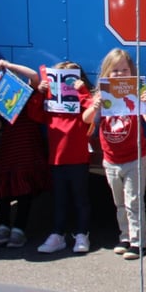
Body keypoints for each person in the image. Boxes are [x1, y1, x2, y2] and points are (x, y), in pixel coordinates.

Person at [84, 49, 146, 260]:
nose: (120, 74)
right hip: (111, 159)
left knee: (134, 201)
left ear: (131, 71)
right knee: (120, 203)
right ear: (107, 72)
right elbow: (87, 119)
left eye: (124, 70)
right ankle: (125, 236)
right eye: (115, 71)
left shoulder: (136, 92)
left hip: (135, 157)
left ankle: (138, 242)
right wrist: (95, 107)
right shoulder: (102, 94)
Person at [0, 59, 50, 249]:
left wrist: (8, 65)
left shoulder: (30, 94)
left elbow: (33, 76)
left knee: (25, 189)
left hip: (28, 145)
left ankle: (18, 230)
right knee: (3, 189)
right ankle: (3, 228)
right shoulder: (0, 102)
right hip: (10, 146)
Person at [34, 62, 95, 254]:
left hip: (78, 159)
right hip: (56, 160)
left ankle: (82, 234)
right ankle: (57, 234)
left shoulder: (81, 103)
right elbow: (35, 115)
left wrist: (82, 91)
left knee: (80, 200)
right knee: (59, 200)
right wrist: (40, 93)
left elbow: (93, 113)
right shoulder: (51, 106)